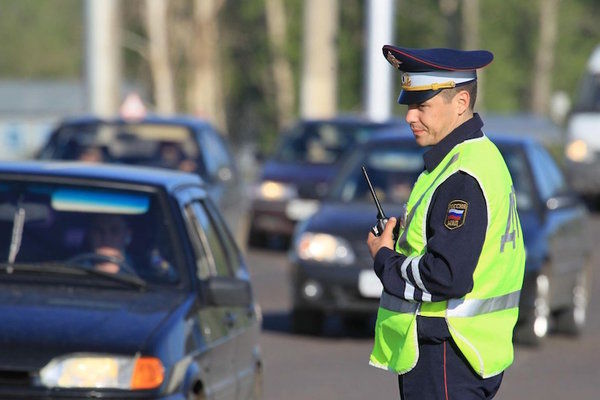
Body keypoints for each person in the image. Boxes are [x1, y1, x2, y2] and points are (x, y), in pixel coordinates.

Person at [366, 45, 525, 400]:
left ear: (460, 102)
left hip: (448, 353)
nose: (410, 117)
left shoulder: (462, 176)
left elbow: (447, 275)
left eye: (422, 106)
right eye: (409, 105)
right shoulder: (476, 157)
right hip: (464, 353)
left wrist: (385, 259)